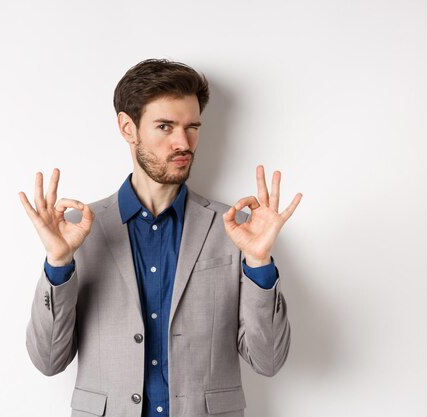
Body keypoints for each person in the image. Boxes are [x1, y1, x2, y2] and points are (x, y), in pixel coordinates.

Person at [19, 58, 302, 417]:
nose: (183, 143)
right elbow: (48, 361)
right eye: (165, 126)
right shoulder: (78, 231)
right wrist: (58, 263)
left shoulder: (235, 229)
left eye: (192, 127)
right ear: (128, 127)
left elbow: (269, 361)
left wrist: (259, 264)